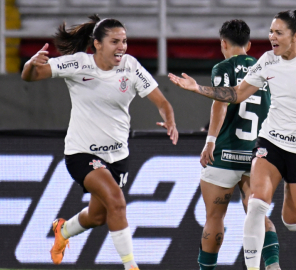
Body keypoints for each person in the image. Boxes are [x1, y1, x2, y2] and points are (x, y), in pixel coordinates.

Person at [169, 6, 296, 270]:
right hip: (270, 142)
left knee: (291, 221)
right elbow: (236, 94)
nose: (272, 37)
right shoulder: (267, 61)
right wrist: (198, 88)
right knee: (257, 204)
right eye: (270, 31)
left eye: (278, 32)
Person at [21, 15, 179, 270]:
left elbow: (162, 103)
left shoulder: (131, 66)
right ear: (97, 44)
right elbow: (30, 76)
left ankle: (64, 230)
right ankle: (131, 267)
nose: (122, 47)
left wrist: (170, 121)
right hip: (81, 153)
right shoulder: (78, 64)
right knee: (116, 201)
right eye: (115, 41)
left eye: (125, 41)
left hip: (118, 156)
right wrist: (30, 63)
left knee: (98, 216)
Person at [197, 20, 280, 270]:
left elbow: (220, 103)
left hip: (224, 153)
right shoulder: (265, 68)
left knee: (214, 218)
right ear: (250, 44)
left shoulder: (223, 67)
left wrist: (210, 141)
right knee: (257, 215)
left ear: (223, 43)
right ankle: (273, 265)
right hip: (257, 155)